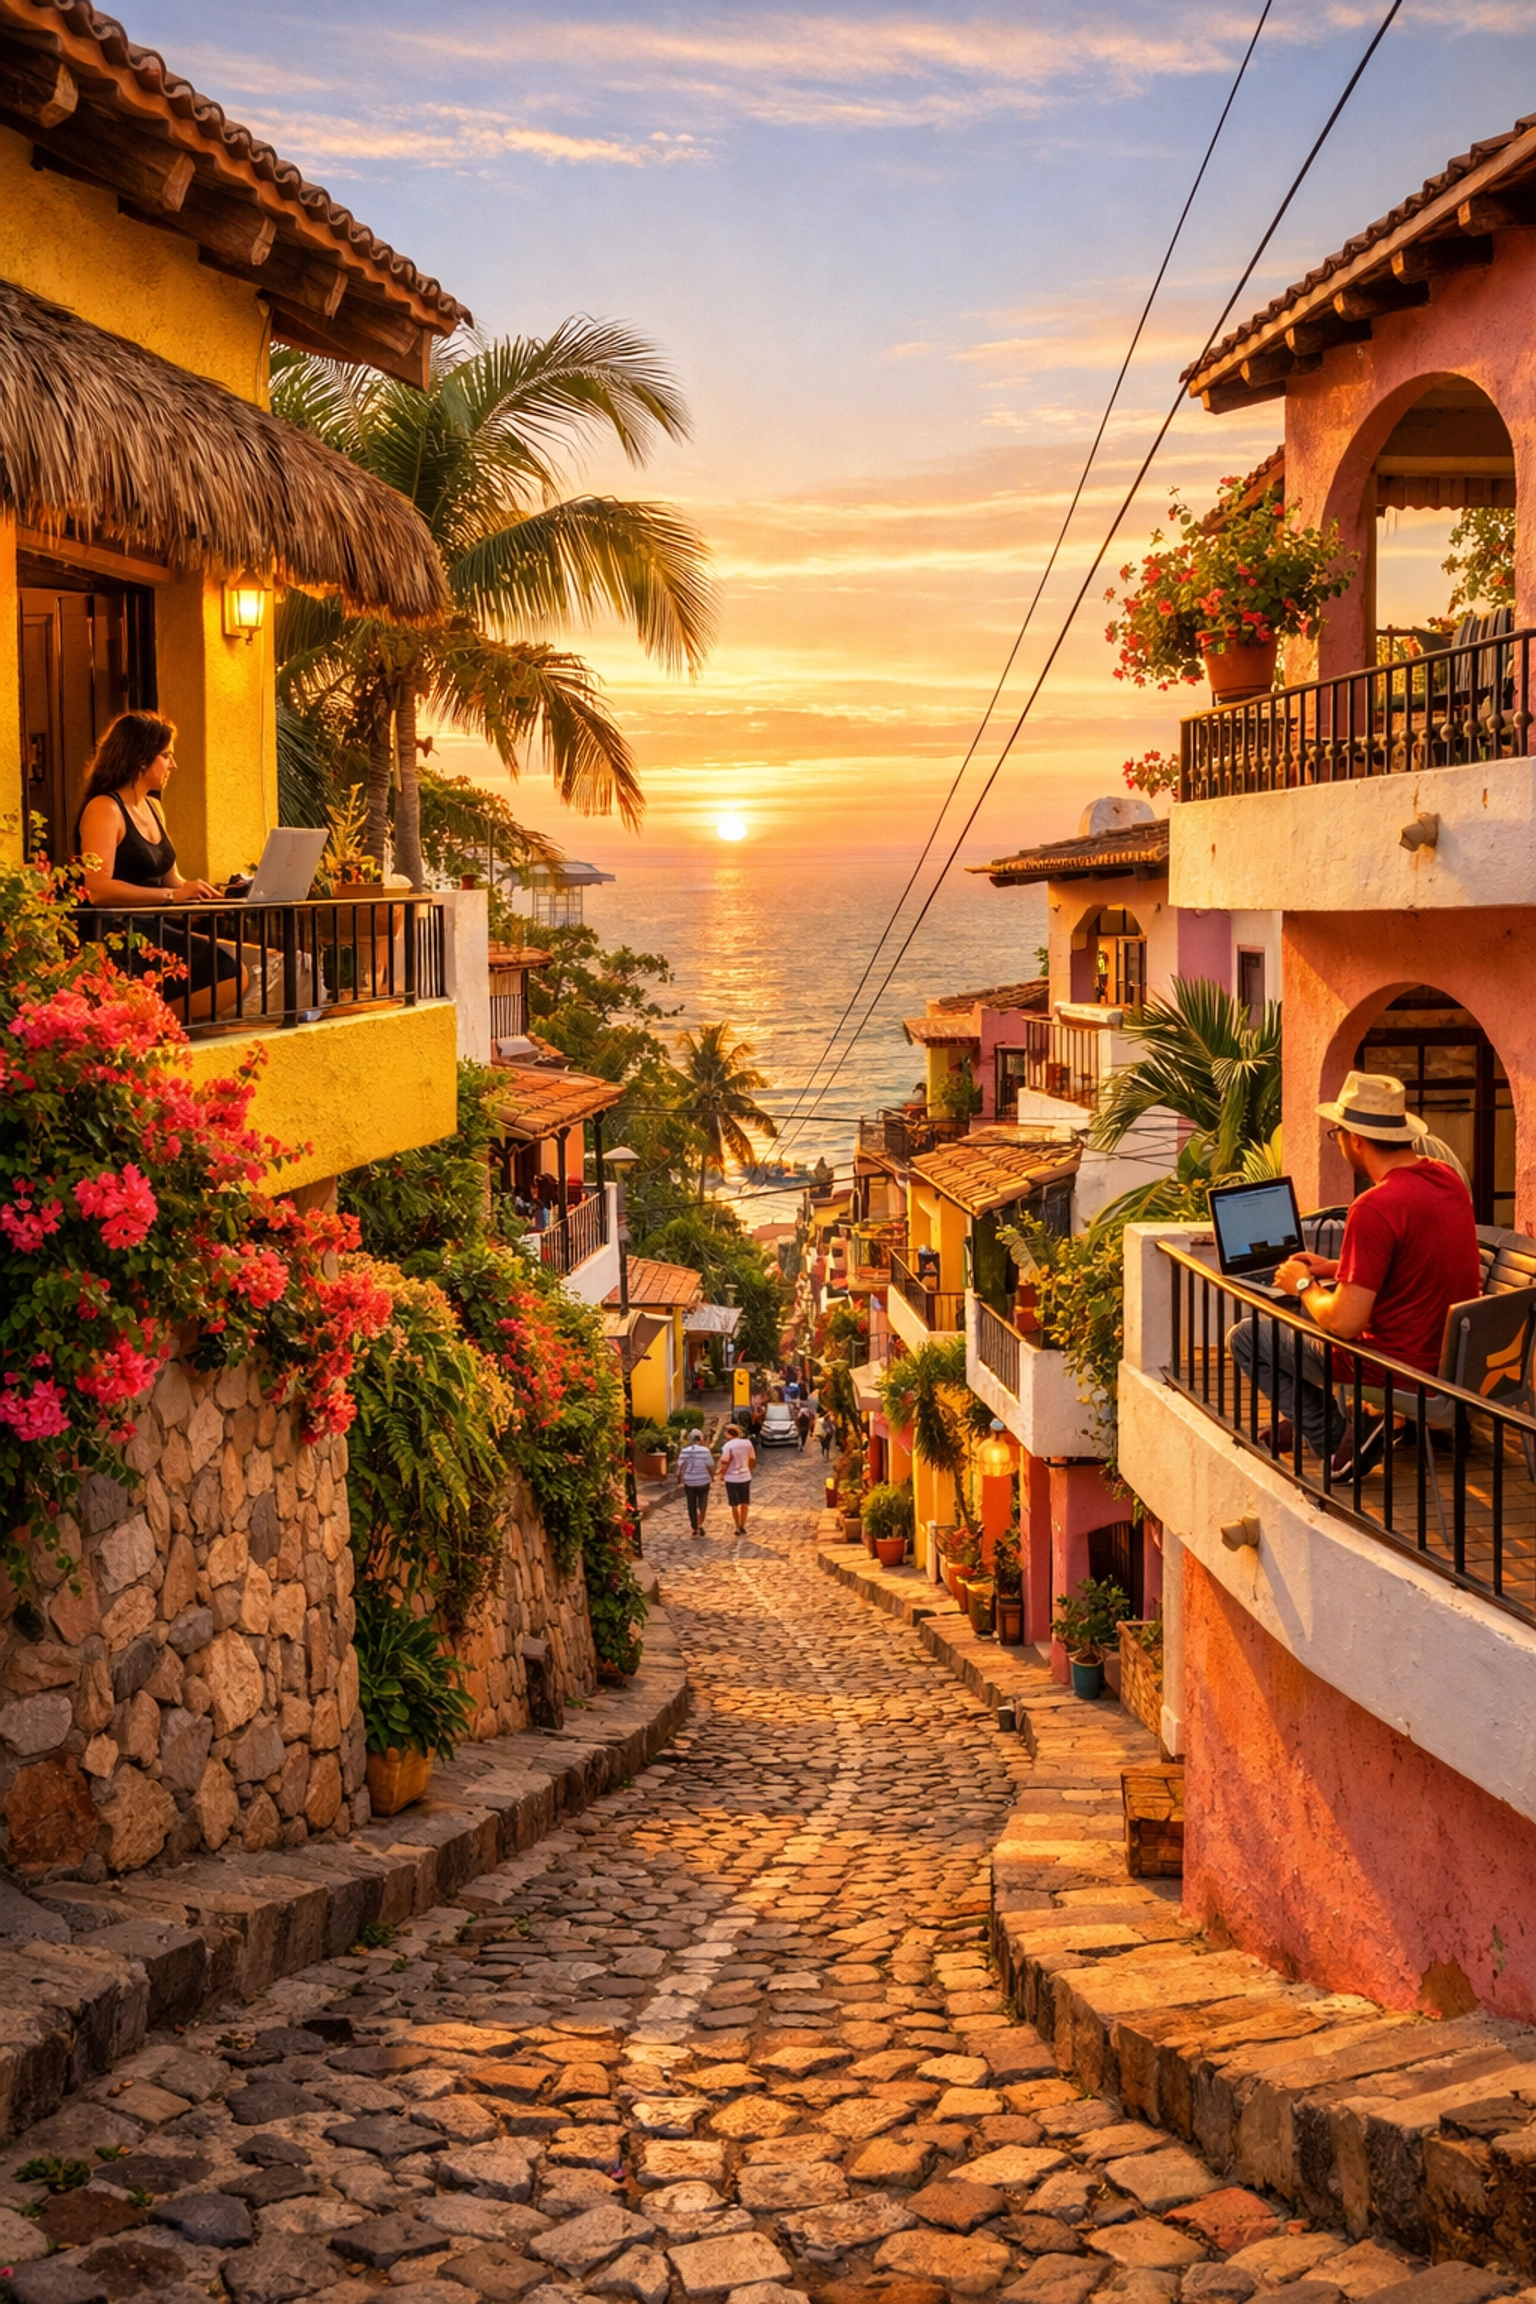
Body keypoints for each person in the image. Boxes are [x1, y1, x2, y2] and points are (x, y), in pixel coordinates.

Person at [1228, 1071, 1479, 1474]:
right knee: (1307, 1315)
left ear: (1355, 1139)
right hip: (1448, 1357)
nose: (1339, 1142)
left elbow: (1345, 1323)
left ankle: (1335, 1433)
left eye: (1337, 1134)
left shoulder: (1374, 1206)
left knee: (1247, 1337)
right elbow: (1414, 1262)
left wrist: (1305, 1283)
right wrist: (1334, 1268)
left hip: (1390, 1365)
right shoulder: (1445, 1178)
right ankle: (1328, 1420)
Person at [75, 712, 243, 1021]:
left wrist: (210, 894)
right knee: (229, 972)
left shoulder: (154, 808)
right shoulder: (105, 809)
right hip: (119, 935)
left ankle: (140, 1024)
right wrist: (171, 897)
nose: (173, 765)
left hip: (154, 929)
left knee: (234, 967)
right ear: (139, 758)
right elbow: (97, 889)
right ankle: (128, 1025)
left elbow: (173, 880)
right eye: (166, 756)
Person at [717, 1421, 757, 1533]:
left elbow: (725, 1462)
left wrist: (721, 1474)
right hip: (745, 1476)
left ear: (729, 1434)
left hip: (731, 1478)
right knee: (745, 1502)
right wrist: (748, 1470)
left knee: (734, 1504)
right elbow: (753, 1460)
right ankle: (742, 1524)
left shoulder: (727, 1446)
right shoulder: (747, 1443)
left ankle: (736, 1526)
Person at [677, 1428, 715, 1535]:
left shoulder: (684, 1451)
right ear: (700, 1439)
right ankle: (700, 1523)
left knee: (691, 1504)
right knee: (703, 1503)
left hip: (689, 1481)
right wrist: (713, 1476)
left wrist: (680, 1478)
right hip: (703, 1481)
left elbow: (680, 1466)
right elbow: (710, 1465)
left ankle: (694, 1527)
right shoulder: (705, 1451)